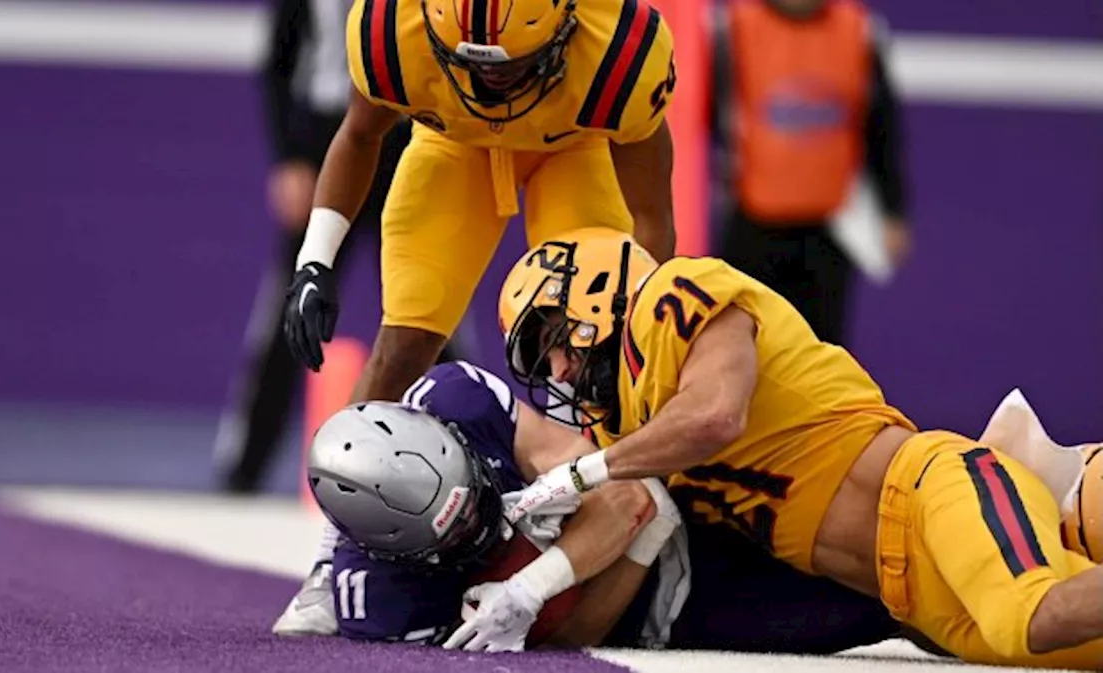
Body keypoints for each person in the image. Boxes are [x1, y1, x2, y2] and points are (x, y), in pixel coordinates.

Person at [484, 227, 1103, 668]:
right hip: (919, 602)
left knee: (1034, 614)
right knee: (1050, 633)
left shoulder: (674, 295)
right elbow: (632, 515)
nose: (559, 372)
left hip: (924, 493)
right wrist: (533, 586)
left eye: (553, 341)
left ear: (594, 290)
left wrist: (583, 472)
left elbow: (715, 415)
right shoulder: (624, 429)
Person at [275, 0, 681, 622]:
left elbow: (653, 214)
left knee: (593, 342)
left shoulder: (616, 55)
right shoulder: (396, 29)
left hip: (574, 150)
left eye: (513, 66)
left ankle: (597, 545)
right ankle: (333, 562)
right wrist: (315, 259)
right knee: (403, 344)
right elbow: (360, 132)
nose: (492, 82)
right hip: (452, 147)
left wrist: (641, 324)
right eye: (473, 66)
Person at [292, 360, 900, 654]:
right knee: (894, 607)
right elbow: (571, 640)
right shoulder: (383, 601)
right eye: (455, 536)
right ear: (392, 551)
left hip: (694, 502)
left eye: (476, 495)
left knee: (887, 538)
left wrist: (529, 588)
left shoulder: (457, 400)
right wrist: (626, 552)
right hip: (661, 616)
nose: (481, 523)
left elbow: (628, 492)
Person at [213, 0, 472, 493]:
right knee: (295, 304)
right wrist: (288, 155)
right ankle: (244, 468)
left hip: (405, 142)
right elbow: (280, 58)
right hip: (328, 138)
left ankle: (476, 449)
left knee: (431, 311)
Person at [709, 0, 909, 345]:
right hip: (751, 225)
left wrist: (894, 210)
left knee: (821, 352)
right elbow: (697, 119)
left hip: (828, 232)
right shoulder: (730, 28)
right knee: (738, 347)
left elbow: (881, 126)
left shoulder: (859, 30)